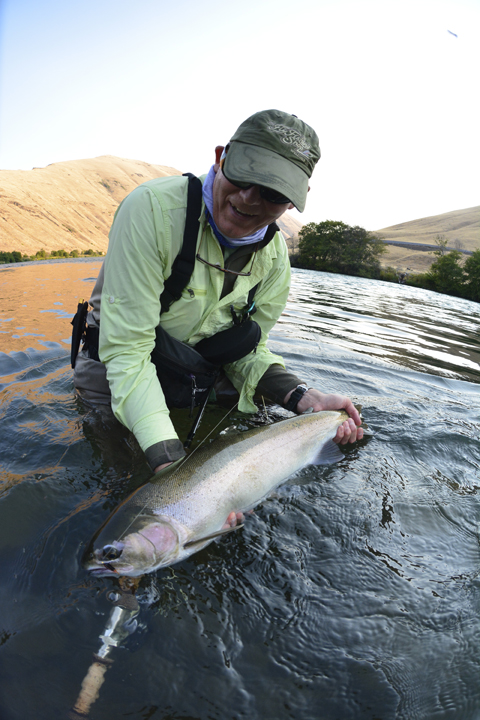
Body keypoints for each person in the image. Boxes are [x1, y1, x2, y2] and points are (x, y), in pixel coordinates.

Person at [73, 109, 363, 482]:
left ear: (293, 200)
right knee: (121, 480)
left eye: (272, 193)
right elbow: (128, 352)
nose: (247, 198)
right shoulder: (152, 210)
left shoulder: (275, 262)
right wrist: (171, 466)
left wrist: (304, 398)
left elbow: (247, 352)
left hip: (193, 369)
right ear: (219, 158)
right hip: (116, 362)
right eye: (243, 175)